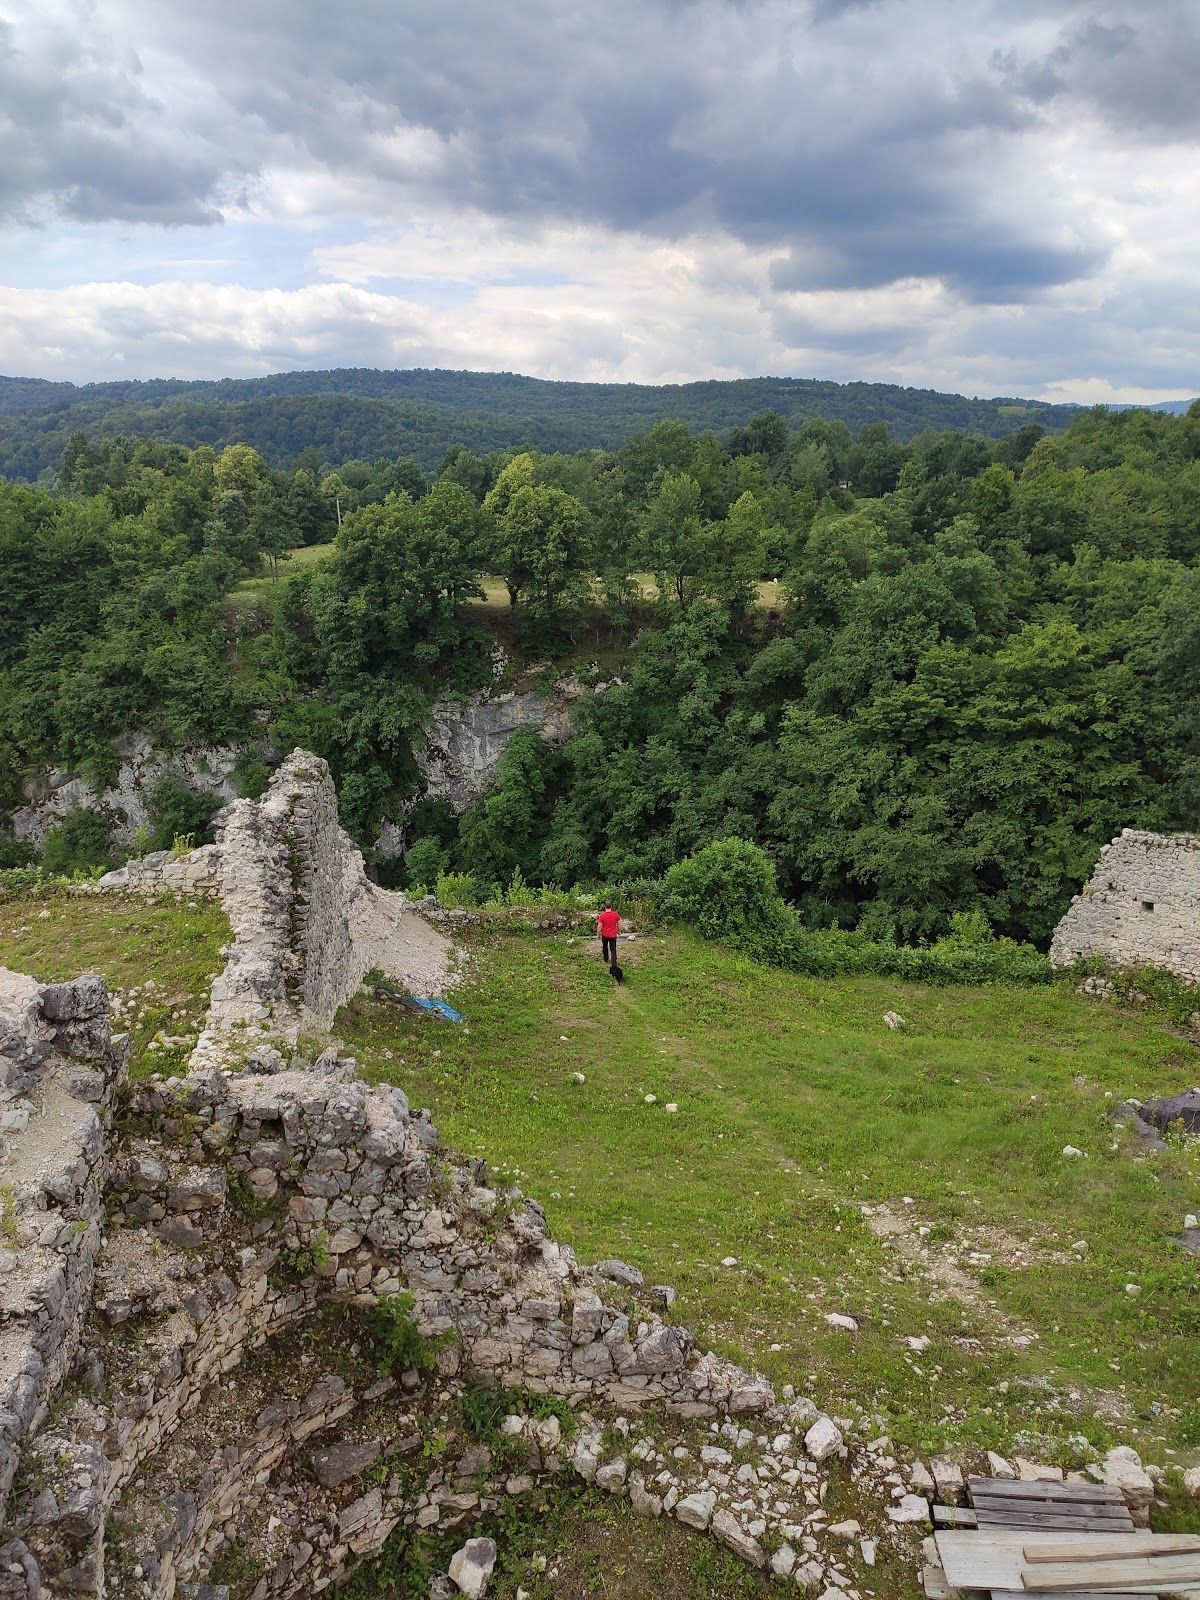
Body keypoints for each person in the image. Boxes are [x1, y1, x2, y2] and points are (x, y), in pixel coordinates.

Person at [596, 901, 620, 966]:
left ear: (604, 907)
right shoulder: (616, 914)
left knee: (605, 946)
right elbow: (619, 923)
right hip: (613, 935)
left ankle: (606, 958)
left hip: (605, 935)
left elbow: (599, 926)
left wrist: (598, 934)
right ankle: (614, 963)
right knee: (613, 949)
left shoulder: (602, 915)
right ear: (611, 906)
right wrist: (619, 931)